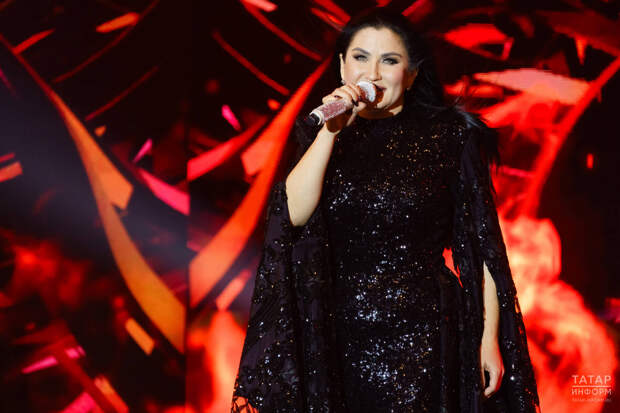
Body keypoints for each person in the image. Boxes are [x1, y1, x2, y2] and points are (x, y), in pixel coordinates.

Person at [231, 8, 541, 413]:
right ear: (342, 66)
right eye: (360, 58)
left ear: (411, 74)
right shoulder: (320, 133)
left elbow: (481, 247)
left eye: (389, 61)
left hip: (423, 334)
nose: (372, 73)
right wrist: (330, 134)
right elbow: (290, 215)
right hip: (334, 332)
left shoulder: (449, 137)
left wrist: (488, 339)